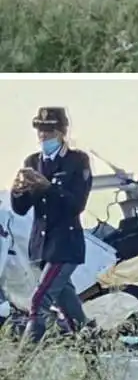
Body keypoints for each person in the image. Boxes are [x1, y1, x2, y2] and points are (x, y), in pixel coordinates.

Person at [11, 107, 93, 343]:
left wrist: (48, 187)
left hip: (65, 244)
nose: (43, 136)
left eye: (49, 131)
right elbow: (21, 209)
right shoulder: (33, 162)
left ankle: (20, 369)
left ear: (62, 132)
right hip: (42, 246)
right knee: (71, 311)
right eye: (40, 130)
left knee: (39, 300)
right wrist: (18, 192)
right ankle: (94, 372)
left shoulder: (77, 161)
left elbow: (76, 204)